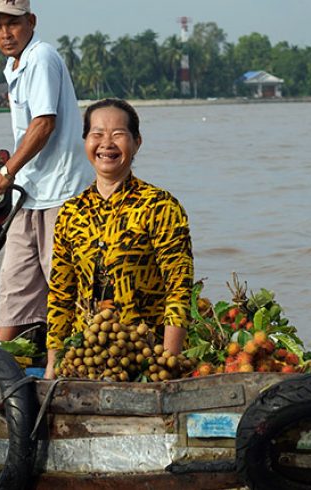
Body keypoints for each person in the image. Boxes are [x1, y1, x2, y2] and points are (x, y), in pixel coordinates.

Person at [44, 99, 194, 379]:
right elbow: (61, 295)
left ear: (136, 143)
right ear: (86, 142)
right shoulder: (71, 212)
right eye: (97, 134)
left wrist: (167, 362)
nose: (107, 144)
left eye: (118, 135)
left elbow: (179, 289)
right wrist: (53, 363)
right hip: (85, 357)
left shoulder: (159, 206)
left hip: (144, 358)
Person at [0, 0, 94, 343]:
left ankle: (79, 356)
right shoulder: (15, 65)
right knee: (14, 280)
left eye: (11, 24)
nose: (5, 33)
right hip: (30, 192)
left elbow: (43, 124)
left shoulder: (41, 57)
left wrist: (6, 171)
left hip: (60, 191)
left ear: (30, 21)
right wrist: (11, 172)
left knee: (67, 284)